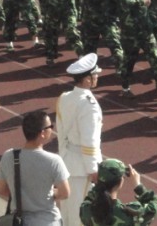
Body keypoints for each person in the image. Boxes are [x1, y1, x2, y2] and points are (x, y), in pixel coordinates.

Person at [0, 110, 70, 226]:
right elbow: (65, 193)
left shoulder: (9, 156)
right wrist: (49, 194)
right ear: (42, 133)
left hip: (19, 222)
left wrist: (21, 196)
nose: (52, 129)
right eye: (50, 127)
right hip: (47, 221)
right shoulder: (54, 161)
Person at [56, 53, 103, 226]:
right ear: (87, 79)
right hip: (82, 168)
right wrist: (93, 168)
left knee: (67, 213)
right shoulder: (89, 105)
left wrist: (62, 155)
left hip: (67, 160)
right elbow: (89, 140)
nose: (97, 77)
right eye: (95, 74)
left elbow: (61, 131)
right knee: (81, 216)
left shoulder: (65, 97)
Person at [79, 159, 157, 226]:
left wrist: (99, 182)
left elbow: (90, 197)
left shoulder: (86, 210)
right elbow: (155, 203)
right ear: (121, 182)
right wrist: (138, 186)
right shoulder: (132, 213)